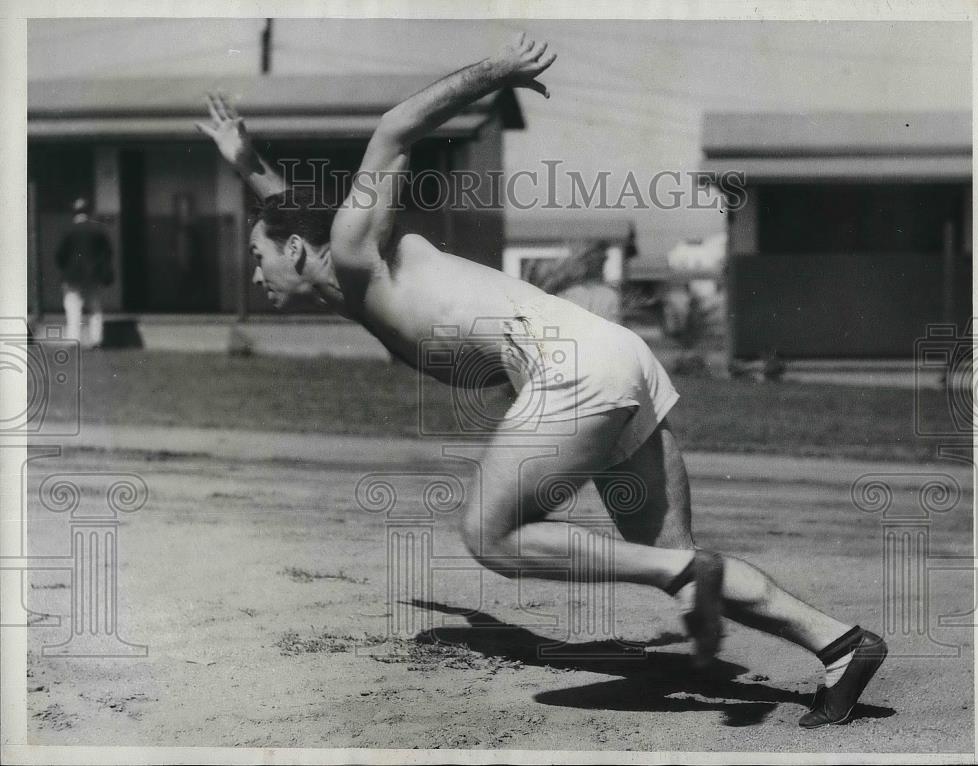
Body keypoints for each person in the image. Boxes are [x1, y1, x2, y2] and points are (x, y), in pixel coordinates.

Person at [197, 33, 887, 728]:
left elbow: (394, 128)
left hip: (572, 369)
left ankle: (681, 578)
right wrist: (246, 161)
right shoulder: (340, 270)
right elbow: (284, 207)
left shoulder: (350, 243)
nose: (255, 272)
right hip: (615, 357)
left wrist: (497, 72)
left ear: (291, 248)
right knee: (673, 554)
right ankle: (841, 646)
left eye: (258, 256)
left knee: (493, 537)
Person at [55, 197, 114, 348]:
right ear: (89, 212)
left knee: (73, 307)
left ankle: (74, 339)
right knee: (95, 307)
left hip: (72, 275)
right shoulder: (98, 230)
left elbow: (60, 255)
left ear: (73, 212)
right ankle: (96, 339)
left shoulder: (68, 229)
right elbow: (108, 253)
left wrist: (64, 269)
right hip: (94, 275)